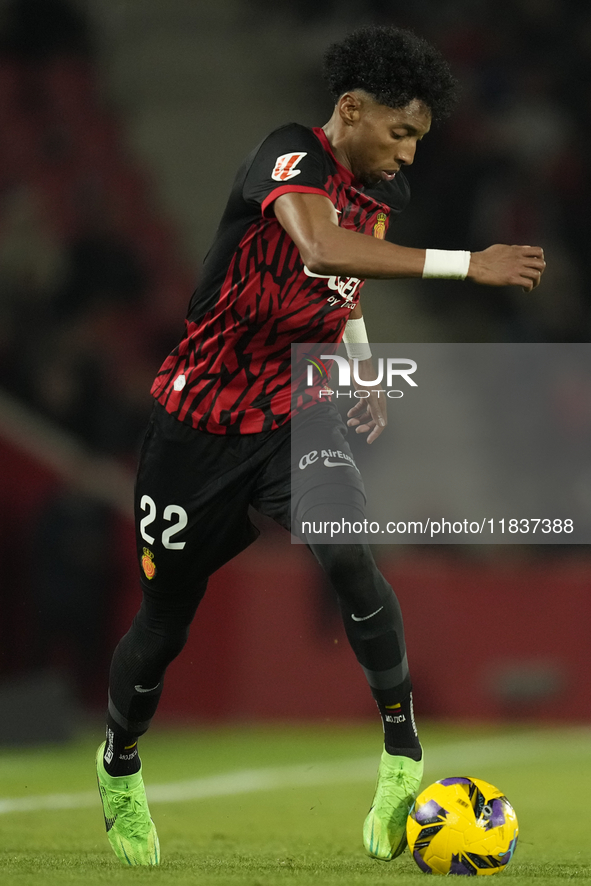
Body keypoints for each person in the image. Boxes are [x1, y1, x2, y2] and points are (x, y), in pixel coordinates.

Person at [95, 25, 545, 866]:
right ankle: (119, 766)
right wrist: (465, 265)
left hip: (291, 413)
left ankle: (402, 759)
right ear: (351, 109)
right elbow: (320, 248)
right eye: (401, 132)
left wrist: (364, 369)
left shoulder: (374, 195)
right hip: (193, 428)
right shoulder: (288, 157)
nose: (408, 155)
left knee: (347, 552)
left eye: (418, 140)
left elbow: (342, 288)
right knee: (162, 626)